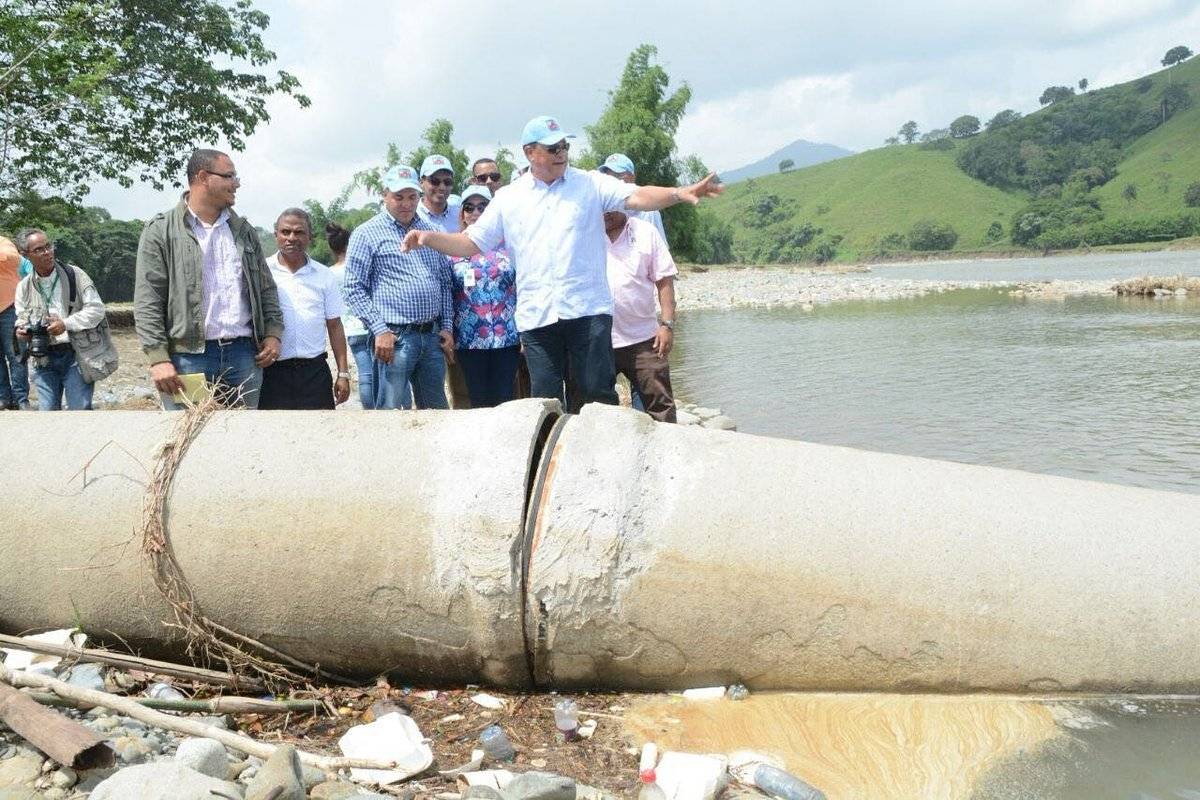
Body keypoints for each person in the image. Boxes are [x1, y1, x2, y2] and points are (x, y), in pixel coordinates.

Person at [403, 114, 723, 412]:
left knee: (596, 394)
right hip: (538, 317)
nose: (561, 152)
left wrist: (679, 193)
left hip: (588, 311)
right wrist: (428, 238)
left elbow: (636, 197)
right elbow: (471, 242)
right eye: (552, 147)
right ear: (530, 152)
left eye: (564, 146)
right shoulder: (509, 199)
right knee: (545, 398)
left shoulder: (590, 184)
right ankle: (553, 464)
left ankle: (600, 462)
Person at [134, 148, 283, 409]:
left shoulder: (243, 231)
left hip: (244, 356)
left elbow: (266, 288)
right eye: (229, 176)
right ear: (203, 177)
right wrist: (158, 358)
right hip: (188, 358)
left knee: (242, 441)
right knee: (187, 438)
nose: (236, 183)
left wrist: (273, 334)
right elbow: (148, 300)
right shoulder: (161, 230)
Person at [344, 164, 454, 410]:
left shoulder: (431, 231)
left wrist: (446, 326)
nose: (406, 203)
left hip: (431, 335)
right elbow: (352, 288)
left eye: (412, 196)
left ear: (419, 196)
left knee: (437, 411)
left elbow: (445, 283)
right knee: (390, 411)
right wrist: (379, 330)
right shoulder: (366, 233)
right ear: (385, 195)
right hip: (395, 338)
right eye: (398, 197)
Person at [258, 208, 350, 410]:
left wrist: (343, 373)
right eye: (285, 232)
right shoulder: (262, 272)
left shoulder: (324, 275)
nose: (291, 238)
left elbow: (334, 326)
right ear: (276, 236)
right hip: (272, 373)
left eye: (299, 232)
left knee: (319, 435)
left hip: (314, 373)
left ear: (310, 237)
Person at [13, 229, 109, 410]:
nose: (47, 252)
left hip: (76, 354)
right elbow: (21, 318)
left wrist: (65, 324)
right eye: (39, 250)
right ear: (25, 255)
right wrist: (22, 330)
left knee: (79, 412)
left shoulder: (75, 275)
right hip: (42, 358)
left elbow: (97, 310)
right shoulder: (23, 287)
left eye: (48, 246)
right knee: (48, 415)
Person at [604, 210, 678, 423]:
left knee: (661, 408)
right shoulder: (586, 233)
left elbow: (664, 281)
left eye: (611, 206)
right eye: (601, 205)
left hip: (645, 339)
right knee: (597, 408)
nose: (605, 212)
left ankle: (664, 454)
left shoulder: (646, 232)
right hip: (598, 341)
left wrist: (667, 325)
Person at [449, 186, 519, 407]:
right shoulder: (452, 248)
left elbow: (523, 287)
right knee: (477, 401)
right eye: (469, 207)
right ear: (462, 214)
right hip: (470, 340)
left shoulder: (510, 244)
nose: (476, 212)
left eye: (483, 206)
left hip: (507, 336)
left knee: (506, 399)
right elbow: (445, 293)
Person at [328, 222, 381, 408]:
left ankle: (369, 409)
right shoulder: (360, 267)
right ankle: (382, 407)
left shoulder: (330, 273)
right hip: (372, 325)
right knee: (380, 372)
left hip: (350, 329)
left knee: (365, 373)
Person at [599, 153, 668, 241]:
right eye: (609, 178)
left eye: (617, 176)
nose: (613, 183)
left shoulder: (648, 211)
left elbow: (660, 249)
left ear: (632, 177)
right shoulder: (604, 208)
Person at [0, 236, 30, 409]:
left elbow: (13, 259)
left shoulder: (4, 242)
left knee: (17, 355)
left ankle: (21, 399)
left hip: (10, 308)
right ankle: (3, 398)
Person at [416, 154, 461, 233]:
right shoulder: (411, 215)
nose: (442, 187)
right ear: (421, 183)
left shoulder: (460, 215)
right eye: (435, 181)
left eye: (447, 182)